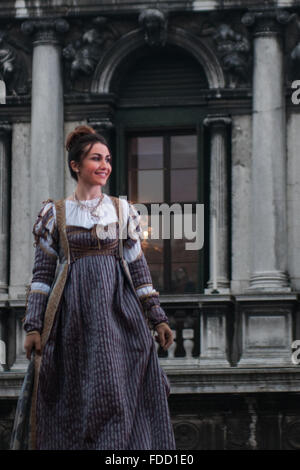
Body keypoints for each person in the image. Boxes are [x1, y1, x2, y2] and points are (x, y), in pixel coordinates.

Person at [14, 125, 176, 450]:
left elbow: (138, 268)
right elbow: (42, 275)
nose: (104, 165)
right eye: (96, 159)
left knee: (116, 390)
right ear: (76, 165)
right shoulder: (54, 213)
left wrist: (157, 318)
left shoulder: (121, 210)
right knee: (77, 394)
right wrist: (33, 326)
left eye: (108, 159)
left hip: (118, 314)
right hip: (72, 318)